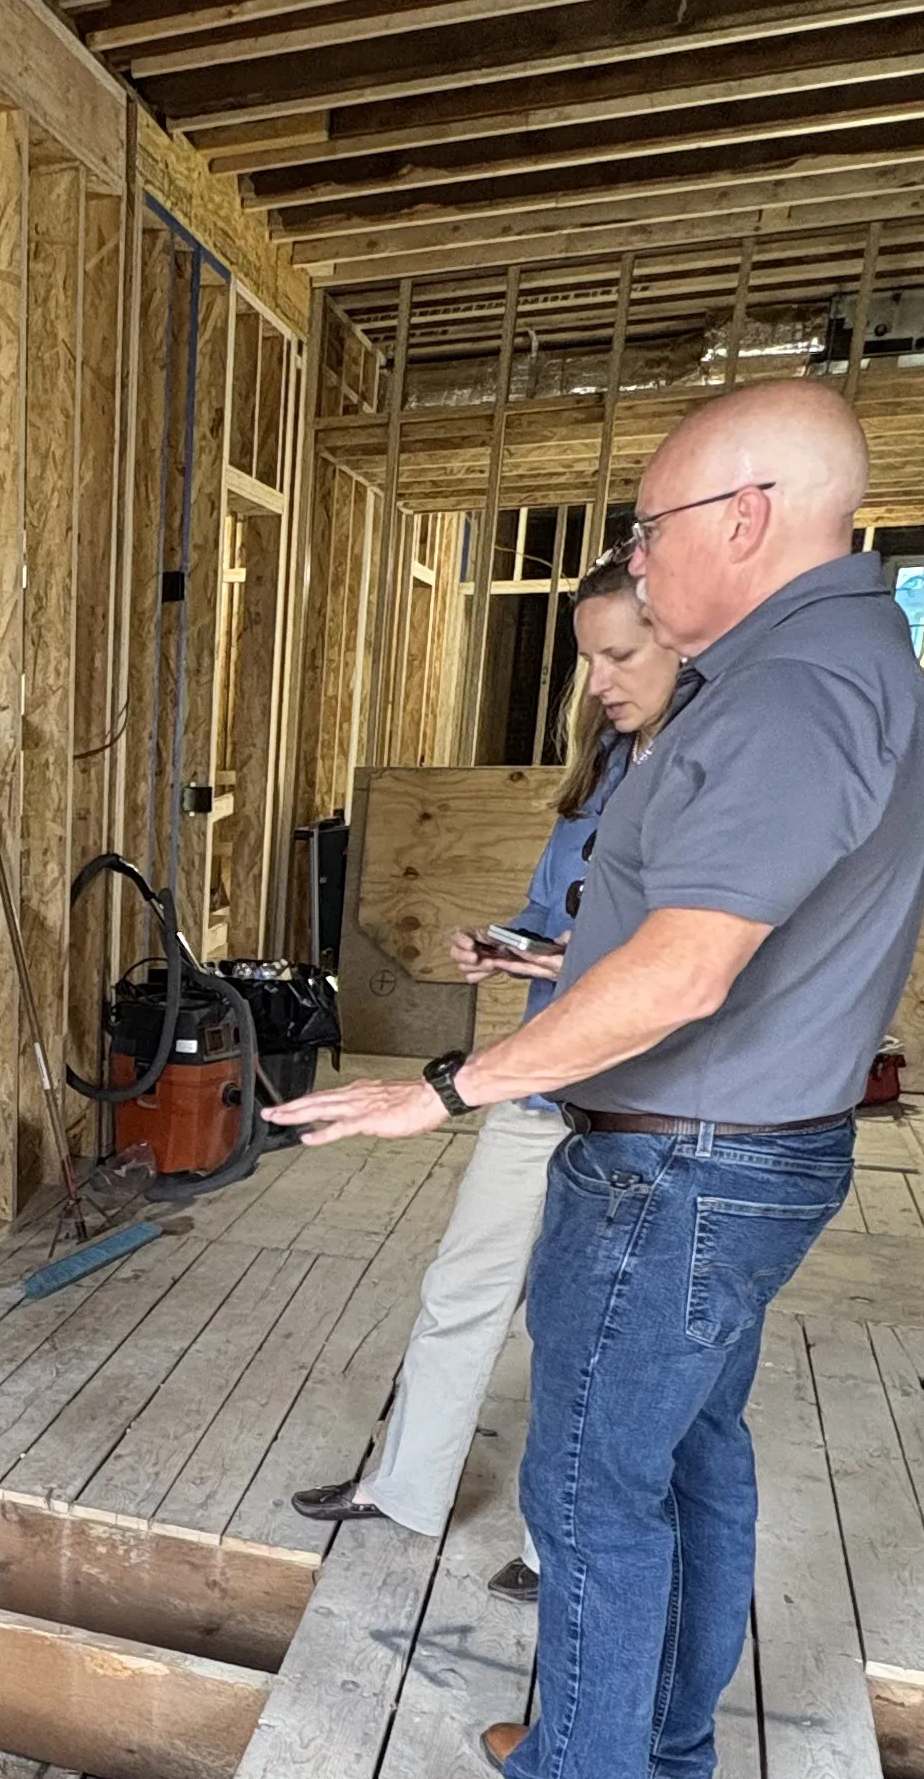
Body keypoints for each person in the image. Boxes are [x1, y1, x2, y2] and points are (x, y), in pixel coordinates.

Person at [263, 378, 924, 1779]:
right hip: (736, 1153)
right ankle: (653, 1765)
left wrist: (450, 1087)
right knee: (689, 1463)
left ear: (750, 518)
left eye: (652, 528)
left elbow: (690, 966)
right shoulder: (838, 666)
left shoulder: (788, 695)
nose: (639, 559)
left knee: (588, 1488)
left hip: (680, 1167)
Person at [288, 564, 683, 1602]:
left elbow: (685, 960)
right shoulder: (602, 764)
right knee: (463, 1286)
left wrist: (561, 965)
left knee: (576, 1324)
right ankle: (405, 1487)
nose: (598, 679)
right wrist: (510, 941)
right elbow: (559, 909)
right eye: (587, 657)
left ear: (685, 636)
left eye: (621, 654)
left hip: (640, 1102)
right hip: (540, 1080)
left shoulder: (712, 771)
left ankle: (561, 1548)